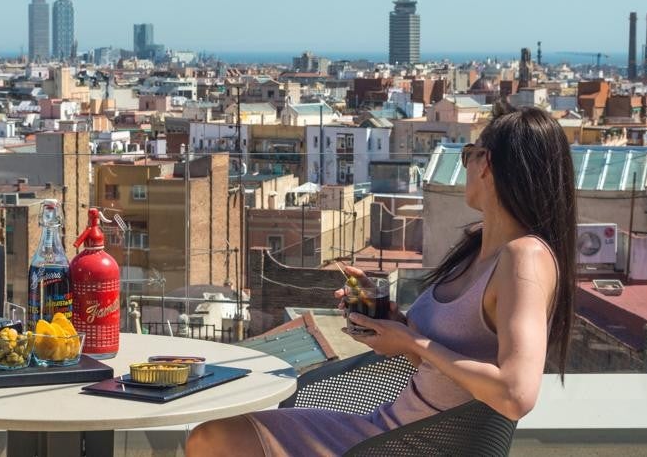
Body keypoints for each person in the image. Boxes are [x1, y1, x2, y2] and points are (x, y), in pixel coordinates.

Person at [187, 103, 576, 456]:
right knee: (211, 438)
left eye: (466, 156)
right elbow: (442, 360)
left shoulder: (524, 258)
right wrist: (393, 323)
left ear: (485, 163)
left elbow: (516, 394)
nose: (466, 168)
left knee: (214, 442)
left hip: (408, 445)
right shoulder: (478, 248)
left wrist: (413, 340)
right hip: (384, 430)